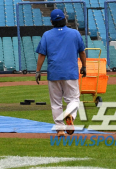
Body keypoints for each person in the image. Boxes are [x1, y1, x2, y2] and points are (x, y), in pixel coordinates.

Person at [35, 9, 86, 137]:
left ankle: (60, 129)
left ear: (51, 21)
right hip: (70, 72)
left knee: (56, 103)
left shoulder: (47, 35)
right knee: (73, 99)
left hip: (54, 73)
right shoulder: (74, 33)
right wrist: (84, 66)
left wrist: (37, 71)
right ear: (65, 19)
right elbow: (82, 52)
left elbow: (42, 55)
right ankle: (71, 116)